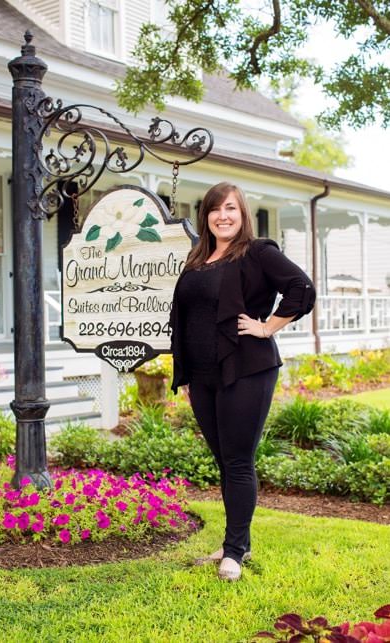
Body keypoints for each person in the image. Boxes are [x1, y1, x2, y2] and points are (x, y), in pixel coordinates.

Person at [169, 182, 316, 581]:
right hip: (202, 376)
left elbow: (301, 289)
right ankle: (238, 540)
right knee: (226, 462)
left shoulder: (257, 252)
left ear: (242, 213)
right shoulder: (199, 257)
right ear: (206, 217)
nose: (223, 216)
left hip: (245, 369)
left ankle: (234, 552)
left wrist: (268, 327)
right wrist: (185, 372)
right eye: (216, 209)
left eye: (231, 208)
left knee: (237, 461)